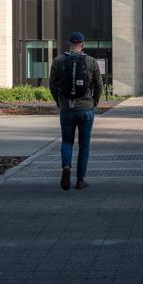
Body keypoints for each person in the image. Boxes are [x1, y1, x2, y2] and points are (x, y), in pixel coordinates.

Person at [49, 32, 103, 191]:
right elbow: (99, 85)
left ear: (69, 43)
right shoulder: (91, 62)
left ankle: (66, 166)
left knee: (67, 141)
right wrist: (94, 102)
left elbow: (52, 85)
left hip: (67, 109)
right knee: (84, 145)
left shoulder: (58, 61)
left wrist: (60, 102)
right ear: (83, 44)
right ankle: (80, 180)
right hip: (86, 109)